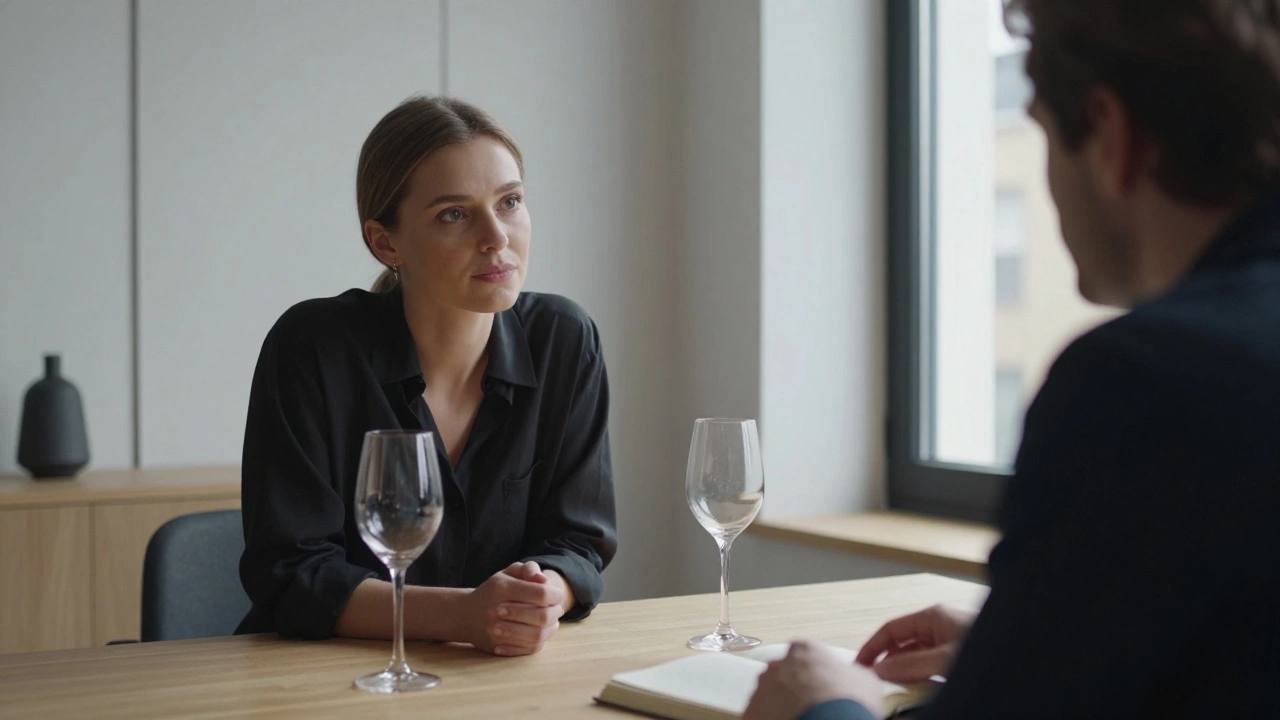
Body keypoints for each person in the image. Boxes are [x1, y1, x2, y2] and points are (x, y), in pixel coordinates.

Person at [746, 0, 1280, 717]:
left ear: (1110, 134)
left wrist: (824, 707)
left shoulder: (1142, 381)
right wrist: (1021, 642)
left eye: (1044, 137)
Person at [236, 96, 617, 658]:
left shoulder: (564, 340)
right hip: (319, 678)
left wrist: (537, 600)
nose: (497, 237)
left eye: (510, 202)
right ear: (385, 242)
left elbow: (578, 543)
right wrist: (464, 615)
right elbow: (292, 574)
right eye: (454, 214)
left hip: (494, 673)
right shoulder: (311, 348)